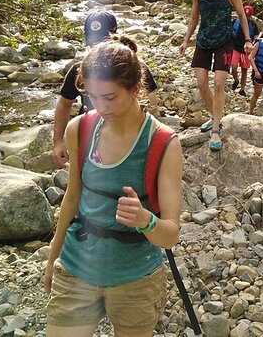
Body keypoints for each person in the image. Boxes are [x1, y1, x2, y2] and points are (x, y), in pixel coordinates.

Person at [44, 38, 182, 337]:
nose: (99, 106)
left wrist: (146, 220)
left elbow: (170, 236)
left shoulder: (162, 142)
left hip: (136, 279)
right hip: (76, 267)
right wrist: (53, 258)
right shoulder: (79, 128)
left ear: (135, 89)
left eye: (109, 97)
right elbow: (72, 197)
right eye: (92, 96)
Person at [52, 11, 160, 166]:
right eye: (92, 45)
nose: (97, 50)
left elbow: (153, 108)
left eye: (110, 97)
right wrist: (58, 142)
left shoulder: (134, 68)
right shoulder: (80, 71)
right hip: (88, 136)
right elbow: (64, 104)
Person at [179, 0, 250, 151]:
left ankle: (216, 129)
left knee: (219, 84)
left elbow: (242, 15)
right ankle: (215, 116)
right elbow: (194, 17)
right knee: (201, 84)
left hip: (224, 42)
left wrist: (247, 39)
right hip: (203, 40)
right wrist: (186, 40)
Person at [230, 4, 259, 97]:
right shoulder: (235, 21)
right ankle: (236, 80)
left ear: (250, 16)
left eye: (248, 15)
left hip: (246, 51)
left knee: (244, 70)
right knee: (233, 67)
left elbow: (256, 36)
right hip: (235, 48)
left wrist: (253, 46)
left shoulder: (253, 25)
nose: (246, 17)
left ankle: (242, 89)